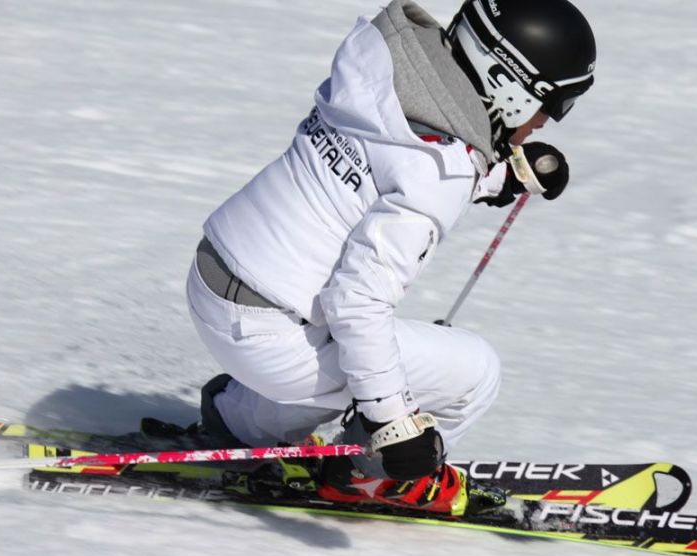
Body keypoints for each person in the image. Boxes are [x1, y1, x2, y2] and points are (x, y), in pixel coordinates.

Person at [182, 0, 597, 515]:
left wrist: (496, 176)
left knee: (337, 341)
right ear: (508, 85)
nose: (544, 122)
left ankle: (242, 419)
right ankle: (371, 476)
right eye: (553, 105)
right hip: (272, 340)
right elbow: (358, 302)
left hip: (213, 278)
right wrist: (390, 422)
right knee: (475, 371)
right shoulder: (438, 174)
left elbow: (392, 159)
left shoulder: (382, 63)